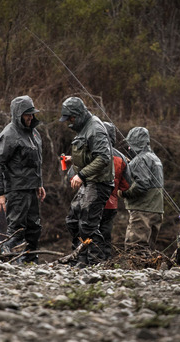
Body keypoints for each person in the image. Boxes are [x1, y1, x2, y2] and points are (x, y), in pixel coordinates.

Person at [0, 95, 46, 263]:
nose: (30, 117)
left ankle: (30, 260)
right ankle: (4, 261)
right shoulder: (9, 135)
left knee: (34, 228)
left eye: (32, 113)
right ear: (18, 114)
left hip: (32, 189)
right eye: (27, 114)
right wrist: (0, 193)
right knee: (16, 230)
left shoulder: (34, 133)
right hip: (16, 191)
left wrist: (39, 184)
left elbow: (37, 162)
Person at [59, 97, 114, 266]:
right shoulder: (84, 128)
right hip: (89, 182)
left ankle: (96, 263)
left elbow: (104, 157)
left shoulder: (95, 128)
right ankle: (79, 258)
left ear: (78, 115)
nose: (69, 122)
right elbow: (89, 154)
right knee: (73, 220)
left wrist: (81, 175)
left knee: (88, 225)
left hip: (98, 183)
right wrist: (73, 160)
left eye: (71, 118)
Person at [117, 126, 164, 252]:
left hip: (142, 210)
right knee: (149, 248)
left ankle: (136, 271)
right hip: (157, 210)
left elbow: (142, 185)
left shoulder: (139, 160)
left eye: (130, 144)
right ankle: (147, 271)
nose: (128, 147)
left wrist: (123, 192)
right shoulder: (155, 158)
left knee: (135, 246)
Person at [99, 122, 131, 260]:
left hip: (92, 201)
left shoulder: (93, 151)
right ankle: (105, 260)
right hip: (111, 204)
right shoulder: (121, 157)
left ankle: (88, 261)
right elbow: (127, 185)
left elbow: (73, 175)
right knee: (106, 234)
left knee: (88, 231)